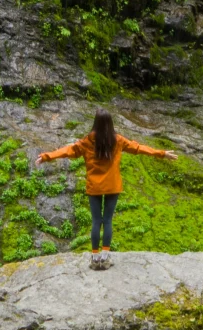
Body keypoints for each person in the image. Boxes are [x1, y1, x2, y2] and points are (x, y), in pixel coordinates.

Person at [37, 108, 177, 270]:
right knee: (107, 220)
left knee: (96, 221)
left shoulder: (87, 142)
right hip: (112, 186)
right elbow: (138, 148)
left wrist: (47, 156)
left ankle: (95, 257)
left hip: (94, 186)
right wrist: (161, 153)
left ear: (95, 123)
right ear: (111, 123)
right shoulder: (117, 140)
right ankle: (105, 256)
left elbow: (68, 151)